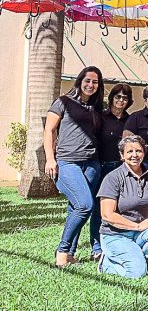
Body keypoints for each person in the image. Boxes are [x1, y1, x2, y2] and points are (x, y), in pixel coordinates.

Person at [45, 66, 105, 267]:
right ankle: (61, 251)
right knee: (84, 205)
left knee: (75, 208)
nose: (91, 85)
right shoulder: (62, 102)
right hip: (67, 161)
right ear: (79, 81)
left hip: (92, 164)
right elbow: (49, 131)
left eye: (95, 82)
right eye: (87, 80)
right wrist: (50, 159)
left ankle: (70, 253)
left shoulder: (96, 108)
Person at [97, 135, 148, 278]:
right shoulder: (112, 178)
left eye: (138, 151)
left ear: (144, 153)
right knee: (135, 274)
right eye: (129, 152)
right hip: (116, 235)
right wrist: (136, 226)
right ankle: (107, 265)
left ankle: (142, 262)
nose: (134, 155)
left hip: (141, 232)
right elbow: (107, 215)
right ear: (122, 155)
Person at [100, 83, 134, 177]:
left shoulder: (131, 120)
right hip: (102, 165)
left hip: (123, 165)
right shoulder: (100, 117)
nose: (121, 100)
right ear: (112, 98)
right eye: (118, 97)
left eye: (125, 98)